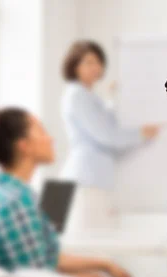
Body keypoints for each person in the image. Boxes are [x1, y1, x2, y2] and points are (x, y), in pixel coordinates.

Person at [0, 107, 132, 277]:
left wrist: (104, 264)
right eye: (42, 131)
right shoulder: (16, 202)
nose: (50, 139)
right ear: (24, 146)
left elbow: (47, 259)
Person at [60, 40, 161, 190]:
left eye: (98, 62)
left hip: (91, 179)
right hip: (83, 179)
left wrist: (112, 97)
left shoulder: (88, 96)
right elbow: (106, 134)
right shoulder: (77, 95)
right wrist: (140, 133)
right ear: (75, 66)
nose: (96, 67)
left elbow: (106, 124)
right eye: (89, 62)